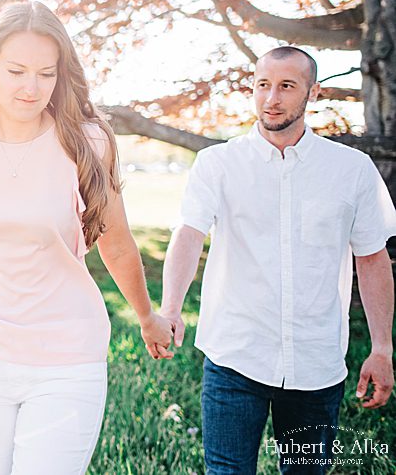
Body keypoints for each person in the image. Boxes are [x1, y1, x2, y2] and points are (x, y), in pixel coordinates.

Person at [0, 2, 174, 475]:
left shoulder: (87, 141)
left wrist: (146, 315)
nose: (31, 88)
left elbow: (116, 242)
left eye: (45, 73)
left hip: (67, 356)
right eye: (16, 71)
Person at [160, 46, 396, 475]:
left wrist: (381, 347)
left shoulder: (352, 169)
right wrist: (171, 307)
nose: (271, 98)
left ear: (313, 92)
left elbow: (372, 257)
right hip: (235, 356)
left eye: (286, 86)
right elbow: (189, 234)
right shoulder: (218, 164)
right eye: (262, 85)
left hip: (316, 362)